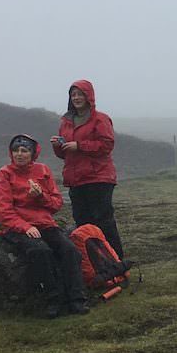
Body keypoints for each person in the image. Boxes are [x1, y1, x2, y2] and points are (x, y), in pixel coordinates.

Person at [0, 134, 89, 317]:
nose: (19, 154)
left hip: (45, 223)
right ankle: (53, 300)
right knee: (40, 252)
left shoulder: (42, 170)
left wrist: (40, 196)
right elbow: (4, 210)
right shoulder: (5, 174)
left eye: (24, 150)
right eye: (16, 150)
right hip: (18, 227)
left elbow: (56, 204)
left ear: (32, 153)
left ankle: (77, 299)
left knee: (70, 251)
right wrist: (25, 227)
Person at [50, 79, 124, 259]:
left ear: (89, 96)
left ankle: (116, 260)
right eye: (73, 94)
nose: (76, 98)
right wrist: (59, 146)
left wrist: (80, 145)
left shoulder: (100, 118)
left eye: (80, 94)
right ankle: (95, 262)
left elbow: (107, 145)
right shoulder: (66, 121)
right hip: (76, 180)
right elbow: (64, 155)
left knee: (103, 222)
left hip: (98, 178)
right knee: (82, 223)